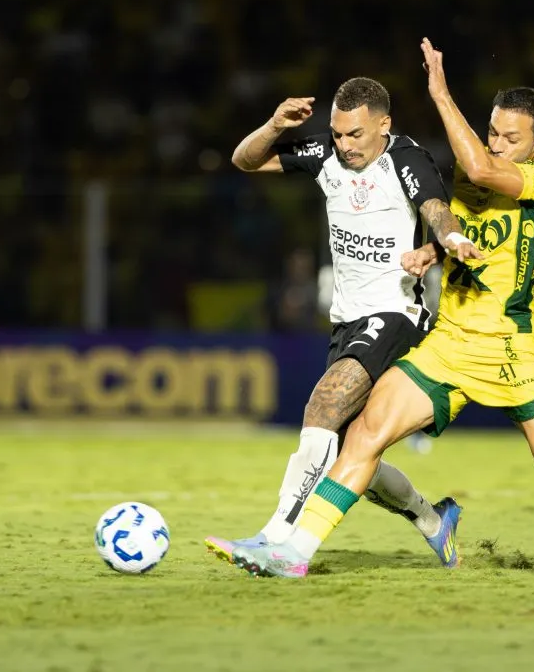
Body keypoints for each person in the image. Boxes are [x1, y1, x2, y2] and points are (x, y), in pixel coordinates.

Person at [229, 38, 534, 581]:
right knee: (364, 435)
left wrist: (440, 94)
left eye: (511, 137)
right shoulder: (472, 173)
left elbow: (480, 173)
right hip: (448, 342)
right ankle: (295, 552)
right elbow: (452, 223)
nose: (497, 144)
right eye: (492, 133)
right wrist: (433, 249)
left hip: (510, 348)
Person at [205, 76, 482, 568]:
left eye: (355, 135)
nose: (344, 145)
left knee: (325, 404)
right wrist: (273, 125)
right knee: (354, 453)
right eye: (337, 134)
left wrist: (451, 243)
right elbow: (245, 160)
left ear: (384, 125)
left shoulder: (407, 160)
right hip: (347, 321)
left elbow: (438, 212)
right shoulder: (327, 156)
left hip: (399, 313)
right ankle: (434, 522)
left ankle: (277, 539)